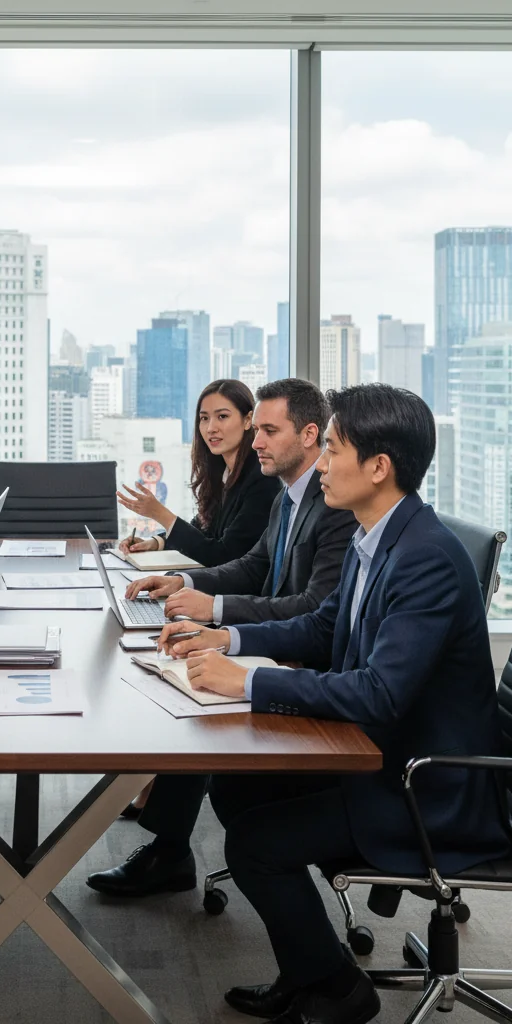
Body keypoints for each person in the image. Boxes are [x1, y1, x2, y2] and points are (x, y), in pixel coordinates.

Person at [157, 383, 510, 1024]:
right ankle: (307, 970)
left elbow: (379, 692)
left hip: (426, 786)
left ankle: (335, 988)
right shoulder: (376, 536)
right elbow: (324, 628)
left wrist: (248, 683)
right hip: (383, 752)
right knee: (238, 792)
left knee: (256, 843)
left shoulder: (424, 559)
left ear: (379, 467)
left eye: (335, 449)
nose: (321, 463)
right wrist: (227, 637)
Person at [88, 378, 359, 894]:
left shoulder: (334, 506)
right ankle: (171, 846)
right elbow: (252, 564)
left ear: (308, 436)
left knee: (195, 701)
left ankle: (172, 851)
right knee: (177, 678)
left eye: (266, 430)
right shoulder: (289, 497)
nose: (255, 441)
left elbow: (314, 610)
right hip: (278, 639)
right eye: (256, 430)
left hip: (306, 663)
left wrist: (215, 614)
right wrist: (183, 581)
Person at [116, 378, 280, 568]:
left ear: (247, 420)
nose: (211, 428)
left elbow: (224, 556)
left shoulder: (262, 479)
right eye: (204, 418)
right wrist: (156, 542)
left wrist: (161, 514)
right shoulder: (222, 472)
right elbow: (202, 530)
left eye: (222, 417)